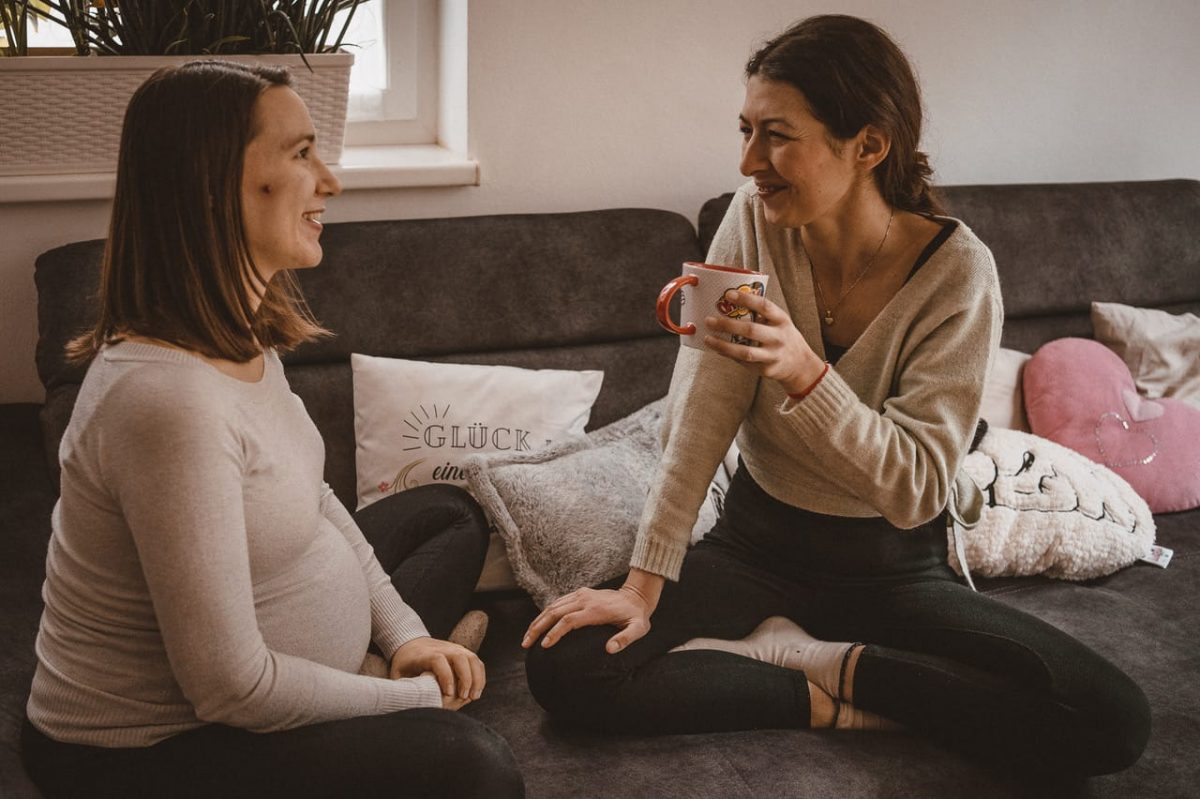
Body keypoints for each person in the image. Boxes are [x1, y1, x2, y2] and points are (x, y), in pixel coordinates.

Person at [523, 15, 1150, 777]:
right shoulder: (751, 220)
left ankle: (838, 665)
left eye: (777, 136)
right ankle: (812, 689)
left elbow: (916, 489)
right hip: (755, 543)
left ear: (869, 145)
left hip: (891, 564)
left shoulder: (959, 274)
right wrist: (643, 584)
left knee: (1110, 721)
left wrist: (806, 375)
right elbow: (703, 411)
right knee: (565, 665)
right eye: (746, 130)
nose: (749, 161)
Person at [20, 60, 523, 799]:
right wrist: (417, 697)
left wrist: (408, 635)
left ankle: (383, 664)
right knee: (477, 766)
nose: (330, 182)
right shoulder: (167, 403)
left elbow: (314, 496)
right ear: (213, 185)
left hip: (272, 662)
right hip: (156, 748)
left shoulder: (236, 333)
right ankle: (382, 684)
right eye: (301, 154)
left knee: (448, 511)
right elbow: (231, 690)